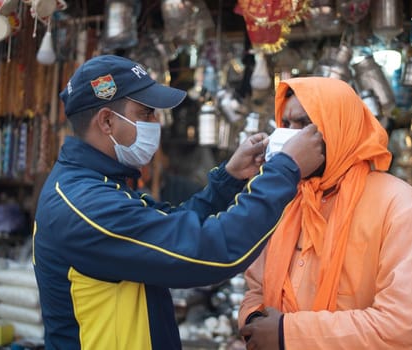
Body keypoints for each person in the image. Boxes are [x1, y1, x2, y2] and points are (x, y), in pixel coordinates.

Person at [32, 55, 325, 350]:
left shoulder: (98, 186)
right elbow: (212, 250)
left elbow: (171, 229)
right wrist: (285, 169)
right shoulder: (85, 205)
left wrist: (230, 179)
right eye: (146, 114)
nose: (155, 123)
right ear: (107, 121)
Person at [238, 77, 412, 349]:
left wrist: (287, 334)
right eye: (286, 124)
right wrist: (256, 321)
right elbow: (255, 290)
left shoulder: (399, 206)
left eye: (304, 124)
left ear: (337, 128)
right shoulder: (285, 199)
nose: (289, 136)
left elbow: (400, 327)